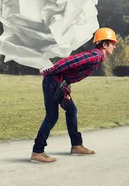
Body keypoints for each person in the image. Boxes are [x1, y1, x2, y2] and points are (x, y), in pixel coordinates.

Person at [30, 27, 118, 163]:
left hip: (60, 84)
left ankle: (76, 146)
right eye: (113, 43)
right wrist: (48, 71)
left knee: (72, 110)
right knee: (52, 116)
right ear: (105, 44)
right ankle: (38, 151)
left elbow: (72, 70)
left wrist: (66, 85)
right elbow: (70, 61)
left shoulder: (97, 57)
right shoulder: (95, 56)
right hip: (53, 81)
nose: (114, 46)